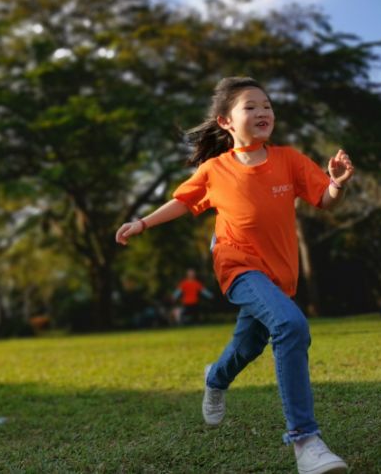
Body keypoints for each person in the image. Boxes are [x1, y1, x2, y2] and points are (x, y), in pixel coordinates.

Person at [115, 77, 354, 474]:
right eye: (251, 107)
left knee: (248, 346)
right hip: (237, 266)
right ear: (226, 121)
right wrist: (142, 223)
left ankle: (216, 377)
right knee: (292, 327)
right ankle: (305, 442)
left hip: (280, 277)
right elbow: (182, 202)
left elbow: (324, 200)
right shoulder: (215, 170)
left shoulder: (290, 160)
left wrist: (338, 184)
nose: (263, 112)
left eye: (267, 105)